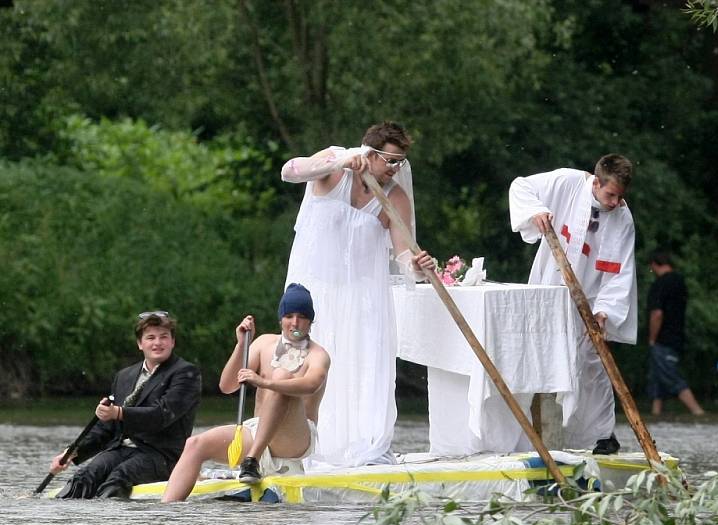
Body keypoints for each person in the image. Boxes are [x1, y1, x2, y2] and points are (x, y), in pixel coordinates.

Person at [279, 121, 435, 467]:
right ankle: (294, 443)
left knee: (360, 362)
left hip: (361, 296)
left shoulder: (393, 197)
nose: (394, 169)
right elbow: (290, 171)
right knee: (300, 362)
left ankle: (361, 445)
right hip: (315, 288)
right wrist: (338, 163)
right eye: (389, 160)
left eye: (400, 162)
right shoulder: (334, 165)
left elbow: (404, 255)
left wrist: (419, 266)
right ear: (370, 152)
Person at [509, 154, 637, 454]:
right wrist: (537, 211)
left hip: (591, 299)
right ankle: (530, 435)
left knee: (592, 365)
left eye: (620, 196)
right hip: (551, 288)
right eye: (610, 194)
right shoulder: (566, 182)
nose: (615, 202)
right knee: (538, 357)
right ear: (596, 182)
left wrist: (605, 310)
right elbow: (521, 187)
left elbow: (621, 271)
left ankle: (601, 435)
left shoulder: (623, 219)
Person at [162, 284, 330, 502]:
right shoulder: (263, 344)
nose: (295, 323)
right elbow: (228, 385)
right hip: (257, 429)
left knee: (281, 376)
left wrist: (264, 381)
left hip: (294, 441)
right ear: (281, 319)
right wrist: (241, 345)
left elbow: (310, 385)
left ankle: (252, 460)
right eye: (289, 316)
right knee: (195, 444)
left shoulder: (318, 355)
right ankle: (166, 510)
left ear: (310, 321)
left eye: (302, 317)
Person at [49, 311, 202, 499]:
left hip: (163, 456)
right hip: (122, 449)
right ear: (140, 343)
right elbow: (106, 427)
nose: (157, 343)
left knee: (117, 479)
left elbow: (162, 415)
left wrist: (119, 412)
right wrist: (72, 452)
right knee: (85, 476)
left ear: (173, 342)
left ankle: (112, 524)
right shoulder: (124, 376)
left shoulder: (186, 373)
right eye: (151, 337)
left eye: (164, 337)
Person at [646, 251, 704, 416]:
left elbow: (657, 314)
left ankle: (698, 411)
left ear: (654, 264)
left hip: (662, 339)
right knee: (657, 380)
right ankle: (655, 415)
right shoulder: (680, 282)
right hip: (677, 337)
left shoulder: (659, 284)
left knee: (671, 377)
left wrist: (652, 339)